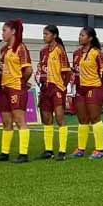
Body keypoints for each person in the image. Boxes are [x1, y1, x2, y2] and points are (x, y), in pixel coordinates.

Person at [0, 20, 32, 163]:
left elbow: (28, 69)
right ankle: (5, 152)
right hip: (3, 88)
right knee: (6, 121)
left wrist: (20, 83)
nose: (2, 33)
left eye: (4, 30)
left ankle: (23, 154)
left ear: (13, 31)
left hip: (15, 88)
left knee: (19, 120)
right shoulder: (4, 49)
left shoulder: (21, 48)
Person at [72, 27, 103, 159]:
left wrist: (100, 85)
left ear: (90, 38)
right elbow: (75, 71)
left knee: (95, 118)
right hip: (80, 88)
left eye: (83, 35)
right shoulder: (76, 53)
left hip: (94, 87)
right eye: (80, 35)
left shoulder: (97, 53)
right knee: (82, 119)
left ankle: (99, 150)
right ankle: (81, 148)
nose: (80, 37)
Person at [37, 24, 71, 161]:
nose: (44, 36)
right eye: (44, 34)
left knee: (59, 117)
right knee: (46, 118)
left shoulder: (60, 50)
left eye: (47, 34)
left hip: (56, 87)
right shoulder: (43, 51)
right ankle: (48, 150)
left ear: (54, 35)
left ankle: (62, 151)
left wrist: (62, 87)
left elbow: (67, 72)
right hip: (45, 88)